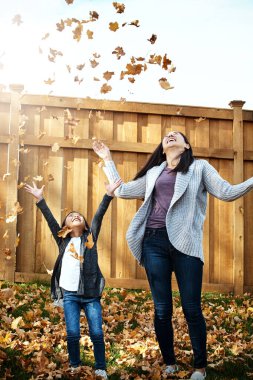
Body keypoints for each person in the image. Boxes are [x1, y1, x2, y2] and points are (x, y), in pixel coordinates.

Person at [92, 131, 253, 380]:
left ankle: (200, 367)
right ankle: (170, 362)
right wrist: (108, 159)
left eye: (175, 135)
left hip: (186, 245)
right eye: (166, 135)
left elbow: (227, 192)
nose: (169, 136)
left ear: (186, 145)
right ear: (163, 146)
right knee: (162, 309)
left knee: (192, 308)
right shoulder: (155, 172)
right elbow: (122, 191)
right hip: (154, 242)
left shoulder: (199, 168)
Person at [24, 179, 122, 379]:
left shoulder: (90, 238)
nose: (75, 216)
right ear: (65, 226)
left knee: (96, 333)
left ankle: (100, 367)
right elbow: (51, 220)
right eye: (70, 216)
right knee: (73, 334)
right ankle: (75, 365)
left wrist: (108, 195)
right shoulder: (63, 240)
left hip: (91, 296)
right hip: (70, 295)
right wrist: (40, 199)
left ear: (85, 224)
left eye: (79, 216)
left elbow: (99, 216)